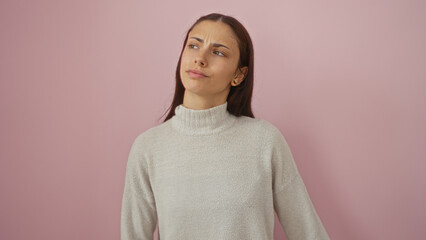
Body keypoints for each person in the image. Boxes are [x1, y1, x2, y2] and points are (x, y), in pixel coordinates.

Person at [121, 12, 330, 240]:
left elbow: (308, 232)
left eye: (218, 52)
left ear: (239, 75)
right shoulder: (148, 148)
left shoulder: (265, 141)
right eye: (193, 46)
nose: (200, 58)